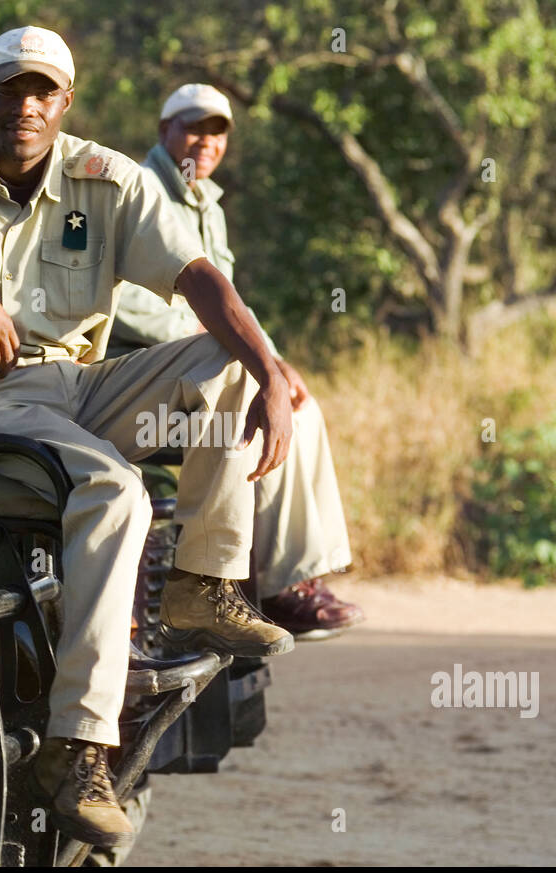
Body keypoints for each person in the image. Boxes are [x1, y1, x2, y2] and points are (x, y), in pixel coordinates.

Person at [0, 27, 296, 850]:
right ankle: (79, 751)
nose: (25, 107)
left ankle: (202, 583)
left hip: (81, 386)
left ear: (66, 103)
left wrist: (274, 375)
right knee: (113, 491)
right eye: (10, 90)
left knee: (231, 359)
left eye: (44, 93)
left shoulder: (105, 178)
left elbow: (200, 279)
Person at [111, 84, 364, 640]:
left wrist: (271, 360)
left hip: (204, 363)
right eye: (194, 127)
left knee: (298, 406)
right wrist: (218, 339)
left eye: (218, 131)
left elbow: (232, 301)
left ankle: (296, 579)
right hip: (141, 374)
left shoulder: (207, 202)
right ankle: (274, 586)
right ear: (165, 131)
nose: (206, 141)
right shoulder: (139, 189)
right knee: (252, 410)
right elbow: (124, 302)